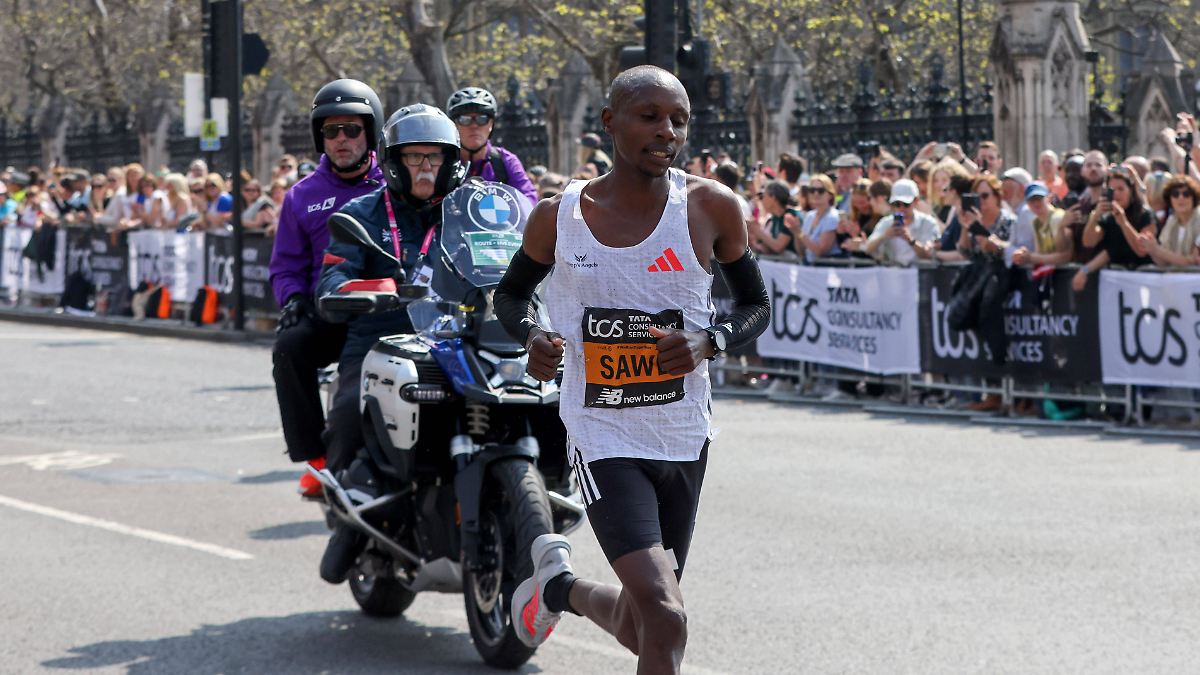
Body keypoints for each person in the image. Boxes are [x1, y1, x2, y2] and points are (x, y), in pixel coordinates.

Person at [492, 65, 769, 673]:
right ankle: (561, 586)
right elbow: (510, 296)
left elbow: (757, 305)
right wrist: (533, 336)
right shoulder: (558, 217)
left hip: (682, 433)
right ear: (610, 122)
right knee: (666, 616)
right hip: (602, 432)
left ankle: (558, 588)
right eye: (649, 116)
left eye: (679, 120)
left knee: (646, 623)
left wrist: (709, 341)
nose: (667, 131)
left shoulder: (712, 207)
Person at [314, 103, 466, 583]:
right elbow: (332, 280)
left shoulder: (470, 211)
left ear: (451, 161)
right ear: (394, 162)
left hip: (458, 340)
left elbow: (513, 255)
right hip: (381, 340)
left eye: (434, 157)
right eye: (414, 157)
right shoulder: (361, 214)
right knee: (346, 416)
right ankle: (349, 518)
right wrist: (377, 290)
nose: (425, 167)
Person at [269, 79, 386, 498]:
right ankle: (317, 460)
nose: (341, 139)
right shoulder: (301, 196)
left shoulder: (394, 183)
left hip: (389, 310)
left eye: (351, 129)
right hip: (331, 313)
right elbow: (285, 266)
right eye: (331, 130)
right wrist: (292, 299)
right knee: (289, 347)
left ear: (370, 133)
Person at [445, 86, 539, 205]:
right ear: (453, 125)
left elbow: (528, 201)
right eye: (464, 119)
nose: (474, 126)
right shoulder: (443, 161)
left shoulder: (506, 161)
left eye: (482, 119)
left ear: (491, 124)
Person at [1074, 167, 1157, 290]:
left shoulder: (1145, 214)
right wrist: (1095, 216)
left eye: (1121, 189)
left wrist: (1124, 223)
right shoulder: (1109, 217)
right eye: (1112, 190)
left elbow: (1142, 250)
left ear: (1131, 191)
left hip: (1145, 280)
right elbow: (1090, 242)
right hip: (1118, 282)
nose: (1116, 194)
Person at [863, 178, 940, 265]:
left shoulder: (928, 223)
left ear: (916, 201)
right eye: (897, 204)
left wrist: (911, 240)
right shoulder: (886, 223)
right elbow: (867, 249)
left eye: (906, 204)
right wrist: (884, 236)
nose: (901, 208)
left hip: (920, 272)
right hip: (892, 272)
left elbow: (929, 254)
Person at [1140, 174, 1200, 266]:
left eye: (1186, 194)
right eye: (1175, 194)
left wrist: (1157, 250)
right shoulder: (1171, 222)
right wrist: (1151, 249)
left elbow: (1192, 262)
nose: (1181, 198)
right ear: (1170, 199)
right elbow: (1163, 263)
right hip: (1173, 274)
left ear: (1194, 198)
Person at [1011, 182, 1068, 266]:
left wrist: (1031, 258)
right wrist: (1024, 254)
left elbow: (1064, 256)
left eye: (1039, 198)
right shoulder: (1036, 223)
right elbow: (1040, 254)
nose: (1036, 203)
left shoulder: (1058, 217)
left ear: (1048, 198)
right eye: (1031, 200)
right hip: (1050, 271)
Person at [793, 173, 842, 262]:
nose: (816, 194)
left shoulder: (833, 216)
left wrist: (799, 232)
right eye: (812, 190)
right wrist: (796, 233)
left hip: (827, 267)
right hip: (809, 266)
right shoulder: (810, 216)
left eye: (821, 190)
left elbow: (820, 251)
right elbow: (801, 251)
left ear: (830, 195)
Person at [750, 179, 797, 255]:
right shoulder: (774, 218)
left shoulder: (791, 215)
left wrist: (757, 231)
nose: (762, 200)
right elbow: (767, 248)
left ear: (773, 198)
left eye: (763, 196)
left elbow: (778, 247)